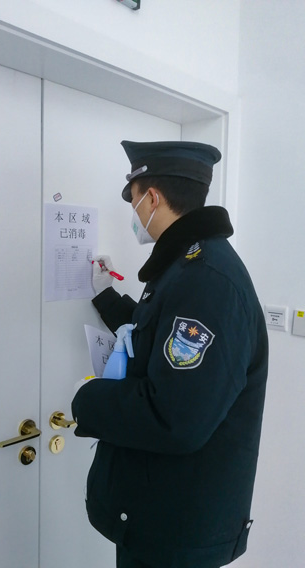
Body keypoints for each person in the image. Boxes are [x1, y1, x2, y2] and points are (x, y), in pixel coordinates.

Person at [73, 141, 268, 567]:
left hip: (177, 531)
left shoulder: (207, 280)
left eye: (133, 200)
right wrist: (106, 296)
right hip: (162, 514)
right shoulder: (186, 263)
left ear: (153, 198)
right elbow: (156, 339)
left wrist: (87, 398)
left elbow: (176, 417)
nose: (134, 211)